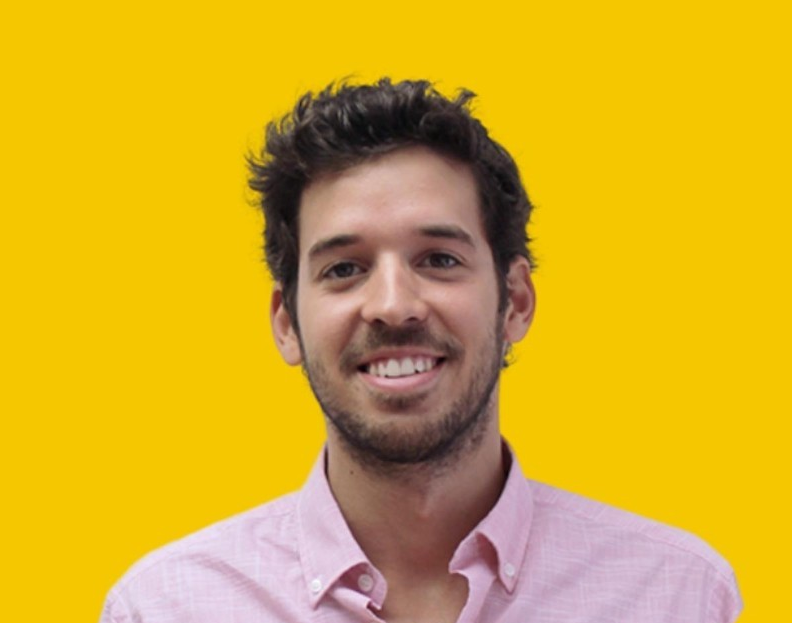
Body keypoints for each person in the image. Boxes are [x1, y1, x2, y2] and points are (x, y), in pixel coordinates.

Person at [100, 79, 742, 623]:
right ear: (287, 323)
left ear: (515, 302)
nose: (392, 304)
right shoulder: (165, 607)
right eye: (344, 269)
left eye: (438, 259)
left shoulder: (678, 596)